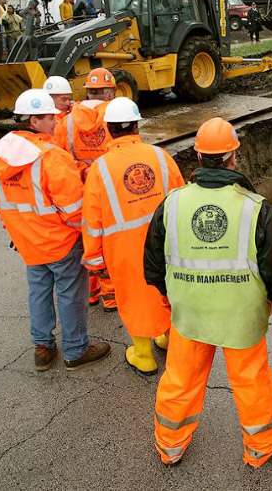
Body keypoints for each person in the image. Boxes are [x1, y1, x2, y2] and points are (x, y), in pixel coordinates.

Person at [143, 117, 272, 468]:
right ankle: (261, 445)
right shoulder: (256, 207)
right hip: (241, 316)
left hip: (190, 313)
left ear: (198, 156)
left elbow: (153, 260)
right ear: (233, 158)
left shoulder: (173, 203)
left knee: (181, 379)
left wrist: (167, 295)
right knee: (251, 380)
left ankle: (170, 444)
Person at [0, 88, 111, 370]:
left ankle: (43, 348)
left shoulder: (0, 153)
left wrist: (17, 232)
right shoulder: (52, 157)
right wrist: (88, 237)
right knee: (70, 294)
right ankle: (76, 350)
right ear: (34, 122)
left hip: (28, 243)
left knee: (39, 292)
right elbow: (74, 210)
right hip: (62, 243)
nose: (56, 121)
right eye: (50, 118)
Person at [82, 97, 185, 376]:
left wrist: (92, 258)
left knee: (135, 298)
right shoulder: (160, 157)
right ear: (137, 126)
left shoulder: (99, 169)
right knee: (166, 291)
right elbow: (182, 197)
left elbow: (92, 219)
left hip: (123, 249)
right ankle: (168, 339)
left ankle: (143, 355)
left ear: (109, 129)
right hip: (164, 243)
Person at [54, 67, 117, 310]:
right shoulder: (115, 116)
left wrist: (81, 170)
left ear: (89, 93)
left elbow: (59, 159)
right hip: (108, 189)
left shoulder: (67, 122)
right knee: (108, 239)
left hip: (79, 190)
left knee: (86, 239)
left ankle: (90, 293)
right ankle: (110, 296)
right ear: (110, 92)